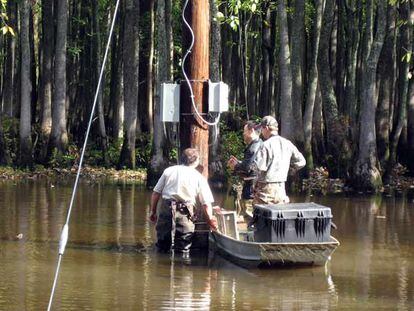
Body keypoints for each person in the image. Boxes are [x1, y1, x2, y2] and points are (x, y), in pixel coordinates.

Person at [149, 148, 217, 253]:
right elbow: (206, 204)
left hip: (166, 210)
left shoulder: (169, 171)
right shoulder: (199, 177)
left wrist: (153, 212)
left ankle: (160, 265)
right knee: (183, 247)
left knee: (162, 246)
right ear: (196, 160)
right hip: (185, 212)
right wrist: (210, 221)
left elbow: (156, 193)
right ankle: (182, 267)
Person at [253, 116, 306, 205]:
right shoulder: (288, 143)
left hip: (265, 190)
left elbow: (259, 168)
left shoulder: (265, 145)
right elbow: (302, 162)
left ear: (266, 128)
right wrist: (290, 169)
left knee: (261, 216)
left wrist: (253, 185)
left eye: (262, 129)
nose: (261, 132)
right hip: (281, 190)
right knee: (279, 217)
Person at [227, 121, 262, 221]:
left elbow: (247, 169)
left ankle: (251, 236)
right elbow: (252, 165)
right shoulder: (260, 144)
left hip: (251, 189)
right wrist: (239, 163)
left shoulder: (253, 148)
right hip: (256, 188)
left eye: (245, 131)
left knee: (249, 215)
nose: (243, 134)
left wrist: (236, 166)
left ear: (251, 131)